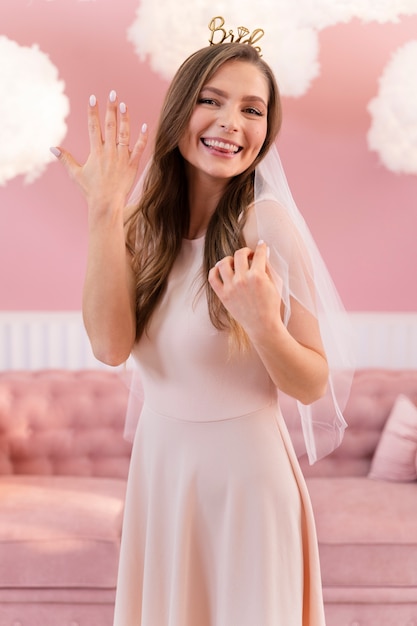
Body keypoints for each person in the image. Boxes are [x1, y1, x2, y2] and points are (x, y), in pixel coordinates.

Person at [51, 27, 353, 626]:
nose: (230, 122)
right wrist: (104, 210)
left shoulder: (266, 226)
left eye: (252, 109)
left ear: (267, 131)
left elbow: (313, 383)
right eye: (211, 100)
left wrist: (264, 325)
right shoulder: (140, 224)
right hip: (162, 474)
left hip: (245, 485)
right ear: (180, 109)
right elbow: (111, 346)